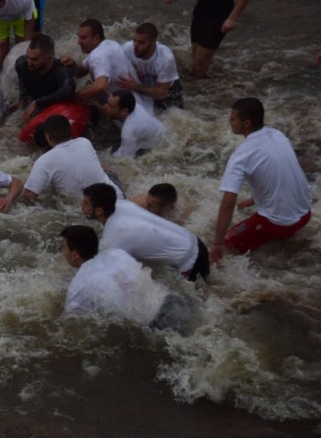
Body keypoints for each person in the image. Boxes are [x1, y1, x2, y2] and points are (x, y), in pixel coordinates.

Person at [210, 98, 312, 262]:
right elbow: (284, 172)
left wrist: (217, 243)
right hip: (305, 214)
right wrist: (255, 198)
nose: (229, 121)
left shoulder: (242, 154)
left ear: (247, 123)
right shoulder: (277, 134)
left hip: (278, 223)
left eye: (233, 118)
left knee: (228, 246)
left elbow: (228, 203)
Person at [60, 225, 196, 334]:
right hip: (174, 301)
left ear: (75, 254)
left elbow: (73, 324)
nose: (62, 250)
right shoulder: (116, 252)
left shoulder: (77, 288)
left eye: (64, 247)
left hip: (158, 326)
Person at [82, 183, 209, 281]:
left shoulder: (111, 240)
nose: (82, 205)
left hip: (190, 263)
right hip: (196, 241)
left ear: (99, 211)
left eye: (86, 203)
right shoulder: (123, 204)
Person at [22, 115, 123, 203]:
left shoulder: (43, 161)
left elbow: (29, 197)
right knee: (107, 172)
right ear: (70, 130)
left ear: (48, 137)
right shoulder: (85, 142)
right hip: (117, 197)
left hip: (87, 209)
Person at [61, 19, 139, 103]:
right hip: (139, 100)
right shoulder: (110, 44)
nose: (78, 42)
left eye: (83, 38)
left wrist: (74, 98)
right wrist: (73, 65)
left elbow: (100, 86)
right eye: (78, 37)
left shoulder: (97, 55)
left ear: (96, 38)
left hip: (127, 109)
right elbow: (81, 72)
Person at [13, 33, 76, 124]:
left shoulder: (60, 70)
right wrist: (22, 99)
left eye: (35, 59)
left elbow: (68, 90)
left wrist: (37, 102)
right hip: (35, 102)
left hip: (53, 107)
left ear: (49, 58)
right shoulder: (22, 64)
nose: (29, 63)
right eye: (28, 57)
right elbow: (22, 79)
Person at [119, 23, 184, 112]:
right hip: (142, 87)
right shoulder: (127, 49)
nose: (135, 46)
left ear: (153, 42)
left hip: (168, 91)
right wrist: (135, 73)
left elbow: (162, 92)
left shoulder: (165, 58)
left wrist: (136, 87)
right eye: (134, 40)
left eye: (141, 42)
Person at [104, 90, 165, 158]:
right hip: (162, 130)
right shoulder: (134, 105)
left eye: (110, 106)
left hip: (158, 146)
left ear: (124, 111)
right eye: (107, 103)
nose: (106, 107)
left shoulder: (129, 130)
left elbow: (124, 159)